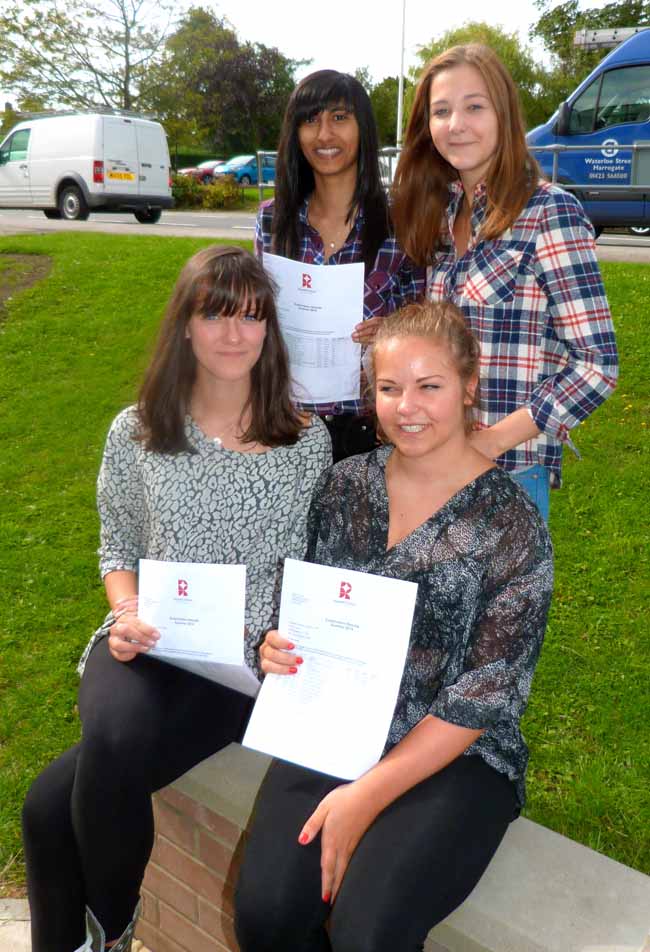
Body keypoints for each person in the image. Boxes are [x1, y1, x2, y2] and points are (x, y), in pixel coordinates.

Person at [21, 246, 331, 952]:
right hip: (145, 643)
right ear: (185, 326)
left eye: (252, 317)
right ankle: (114, 934)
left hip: (237, 669)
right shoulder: (136, 432)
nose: (233, 333)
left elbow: (310, 569)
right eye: (215, 313)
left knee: (47, 808)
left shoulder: (306, 442)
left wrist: (277, 639)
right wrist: (126, 613)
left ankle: (107, 936)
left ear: (268, 331)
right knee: (109, 741)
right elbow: (116, 548)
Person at [234, 300, 554, 952]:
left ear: (469, 385)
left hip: (457, 753)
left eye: (429, 386)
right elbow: (299, 601)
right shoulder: (345, 488)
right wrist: (271, 643)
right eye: (389, 388)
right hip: (333, 724)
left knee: (367, 931)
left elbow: (486, 694)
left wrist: (365, 797)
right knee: (264, 914)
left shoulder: (512, 525)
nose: (407, 406)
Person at [391, 43, 618, 519]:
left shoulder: (548, 213)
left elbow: (596, 365)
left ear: (505, 114)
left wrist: (493, 441)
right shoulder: (444, 213)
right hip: (434, 465)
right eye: (442, 111)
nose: (457, 124)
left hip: (507, 473)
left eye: (475, 106)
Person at [256, 68, 424, 462]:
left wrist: (393, 331)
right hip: (288, 425)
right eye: (310, 120)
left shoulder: (402, 223)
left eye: (339, 118)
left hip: (374, 433)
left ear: (362, 128)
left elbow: (426, 320)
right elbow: (257, 317)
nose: (324, 135)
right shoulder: (271, 221)